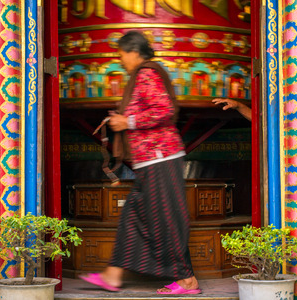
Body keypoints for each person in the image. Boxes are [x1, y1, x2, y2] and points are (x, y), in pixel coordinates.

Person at [79, 31, 201, 295]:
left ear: (134, 52)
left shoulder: (146, 73)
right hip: (150, 161)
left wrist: (128, 122)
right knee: (134, 215)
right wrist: (123, 119)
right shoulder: (141, 76)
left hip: (161, 156)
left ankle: (187, 280)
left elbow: (165, 110)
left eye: (121, 54)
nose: (120, 60)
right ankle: (113, 274)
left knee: (168, 219)